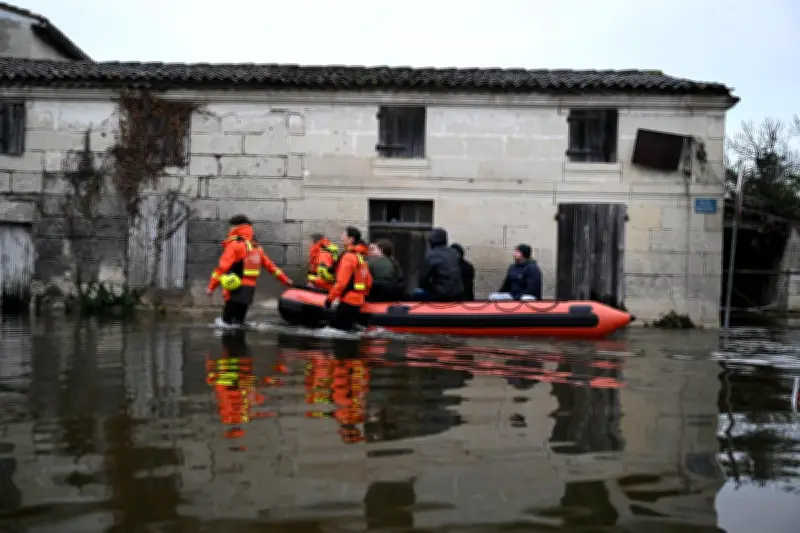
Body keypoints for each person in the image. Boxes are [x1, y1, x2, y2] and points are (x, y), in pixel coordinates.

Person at [207, 214, 294, 326]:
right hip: (248, 291)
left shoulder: (234, 245)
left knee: (226, 324)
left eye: (230, 227)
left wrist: (211, 287)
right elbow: (272, 267)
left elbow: (221, 269)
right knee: (239, 323)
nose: (229, 230)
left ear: (236, 227)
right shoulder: (256, 247)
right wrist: (286, 280)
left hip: (235, 288)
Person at [325, 226, 373, 331]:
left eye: (343, 235)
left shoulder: (348, 256)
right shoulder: (361, 257)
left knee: (335, 332)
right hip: (358, 302)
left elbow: (341, 283)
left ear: (351, 239)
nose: (341, 237)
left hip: (347, 301)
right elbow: (369, 281)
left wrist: (329, 300)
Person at [413, 227, 463, 302]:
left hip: (441, 294)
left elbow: (423, 277)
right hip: (457, 292)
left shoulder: (432, 255)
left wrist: (426, 287)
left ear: (431, 241)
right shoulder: (453, 253)